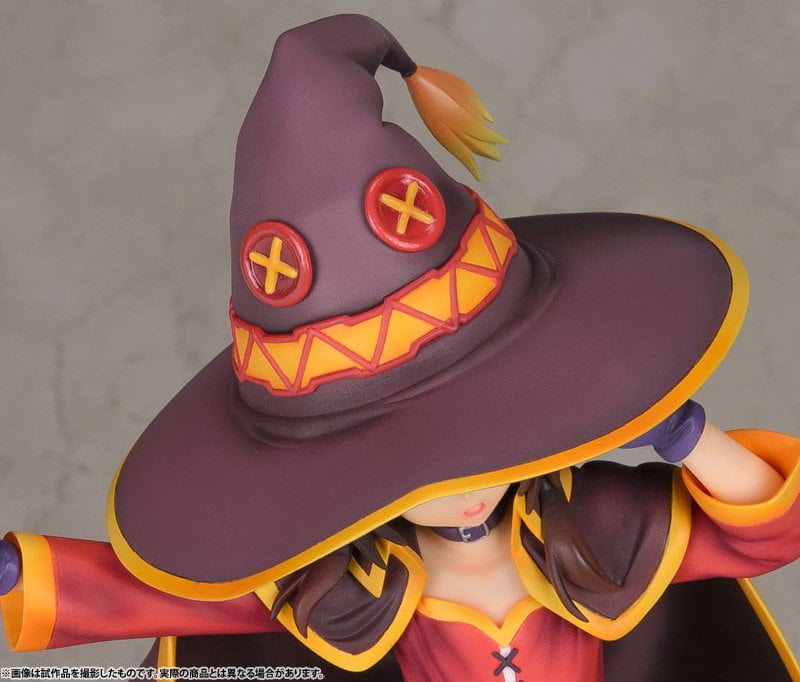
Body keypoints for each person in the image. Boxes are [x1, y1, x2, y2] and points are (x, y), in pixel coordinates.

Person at [2, 14, 799, 681]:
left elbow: (769, 534)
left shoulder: (598, 530)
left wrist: (691, 438)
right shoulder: (355, 587)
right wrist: (25, 575)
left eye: (484, 431)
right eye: (407, 464)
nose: (464, 484)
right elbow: (195, 596)